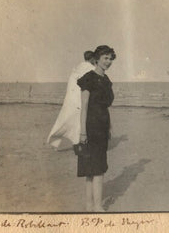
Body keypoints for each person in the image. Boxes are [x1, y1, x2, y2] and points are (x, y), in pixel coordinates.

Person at [77, 45, 116, 212]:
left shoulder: (106, 80)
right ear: (97, 58)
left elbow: (105, 107)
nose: (108, 62)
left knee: (96, 166)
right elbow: (84, 106)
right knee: (93, 168)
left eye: (110, 58)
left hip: (102, 125)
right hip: (91, 125)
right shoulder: (88, 78)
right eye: (105, 58)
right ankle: (94, 205)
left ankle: (93, 205)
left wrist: (109, 126)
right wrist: (82, 131)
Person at [47, 51, 96, 150]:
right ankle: (81, 144)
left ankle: (56, 142)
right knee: (82, 121)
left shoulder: (77, 68)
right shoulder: (92, 68)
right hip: (82, 99)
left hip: (72, 99)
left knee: (66, 120)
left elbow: (71, 85)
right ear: (92, 59)